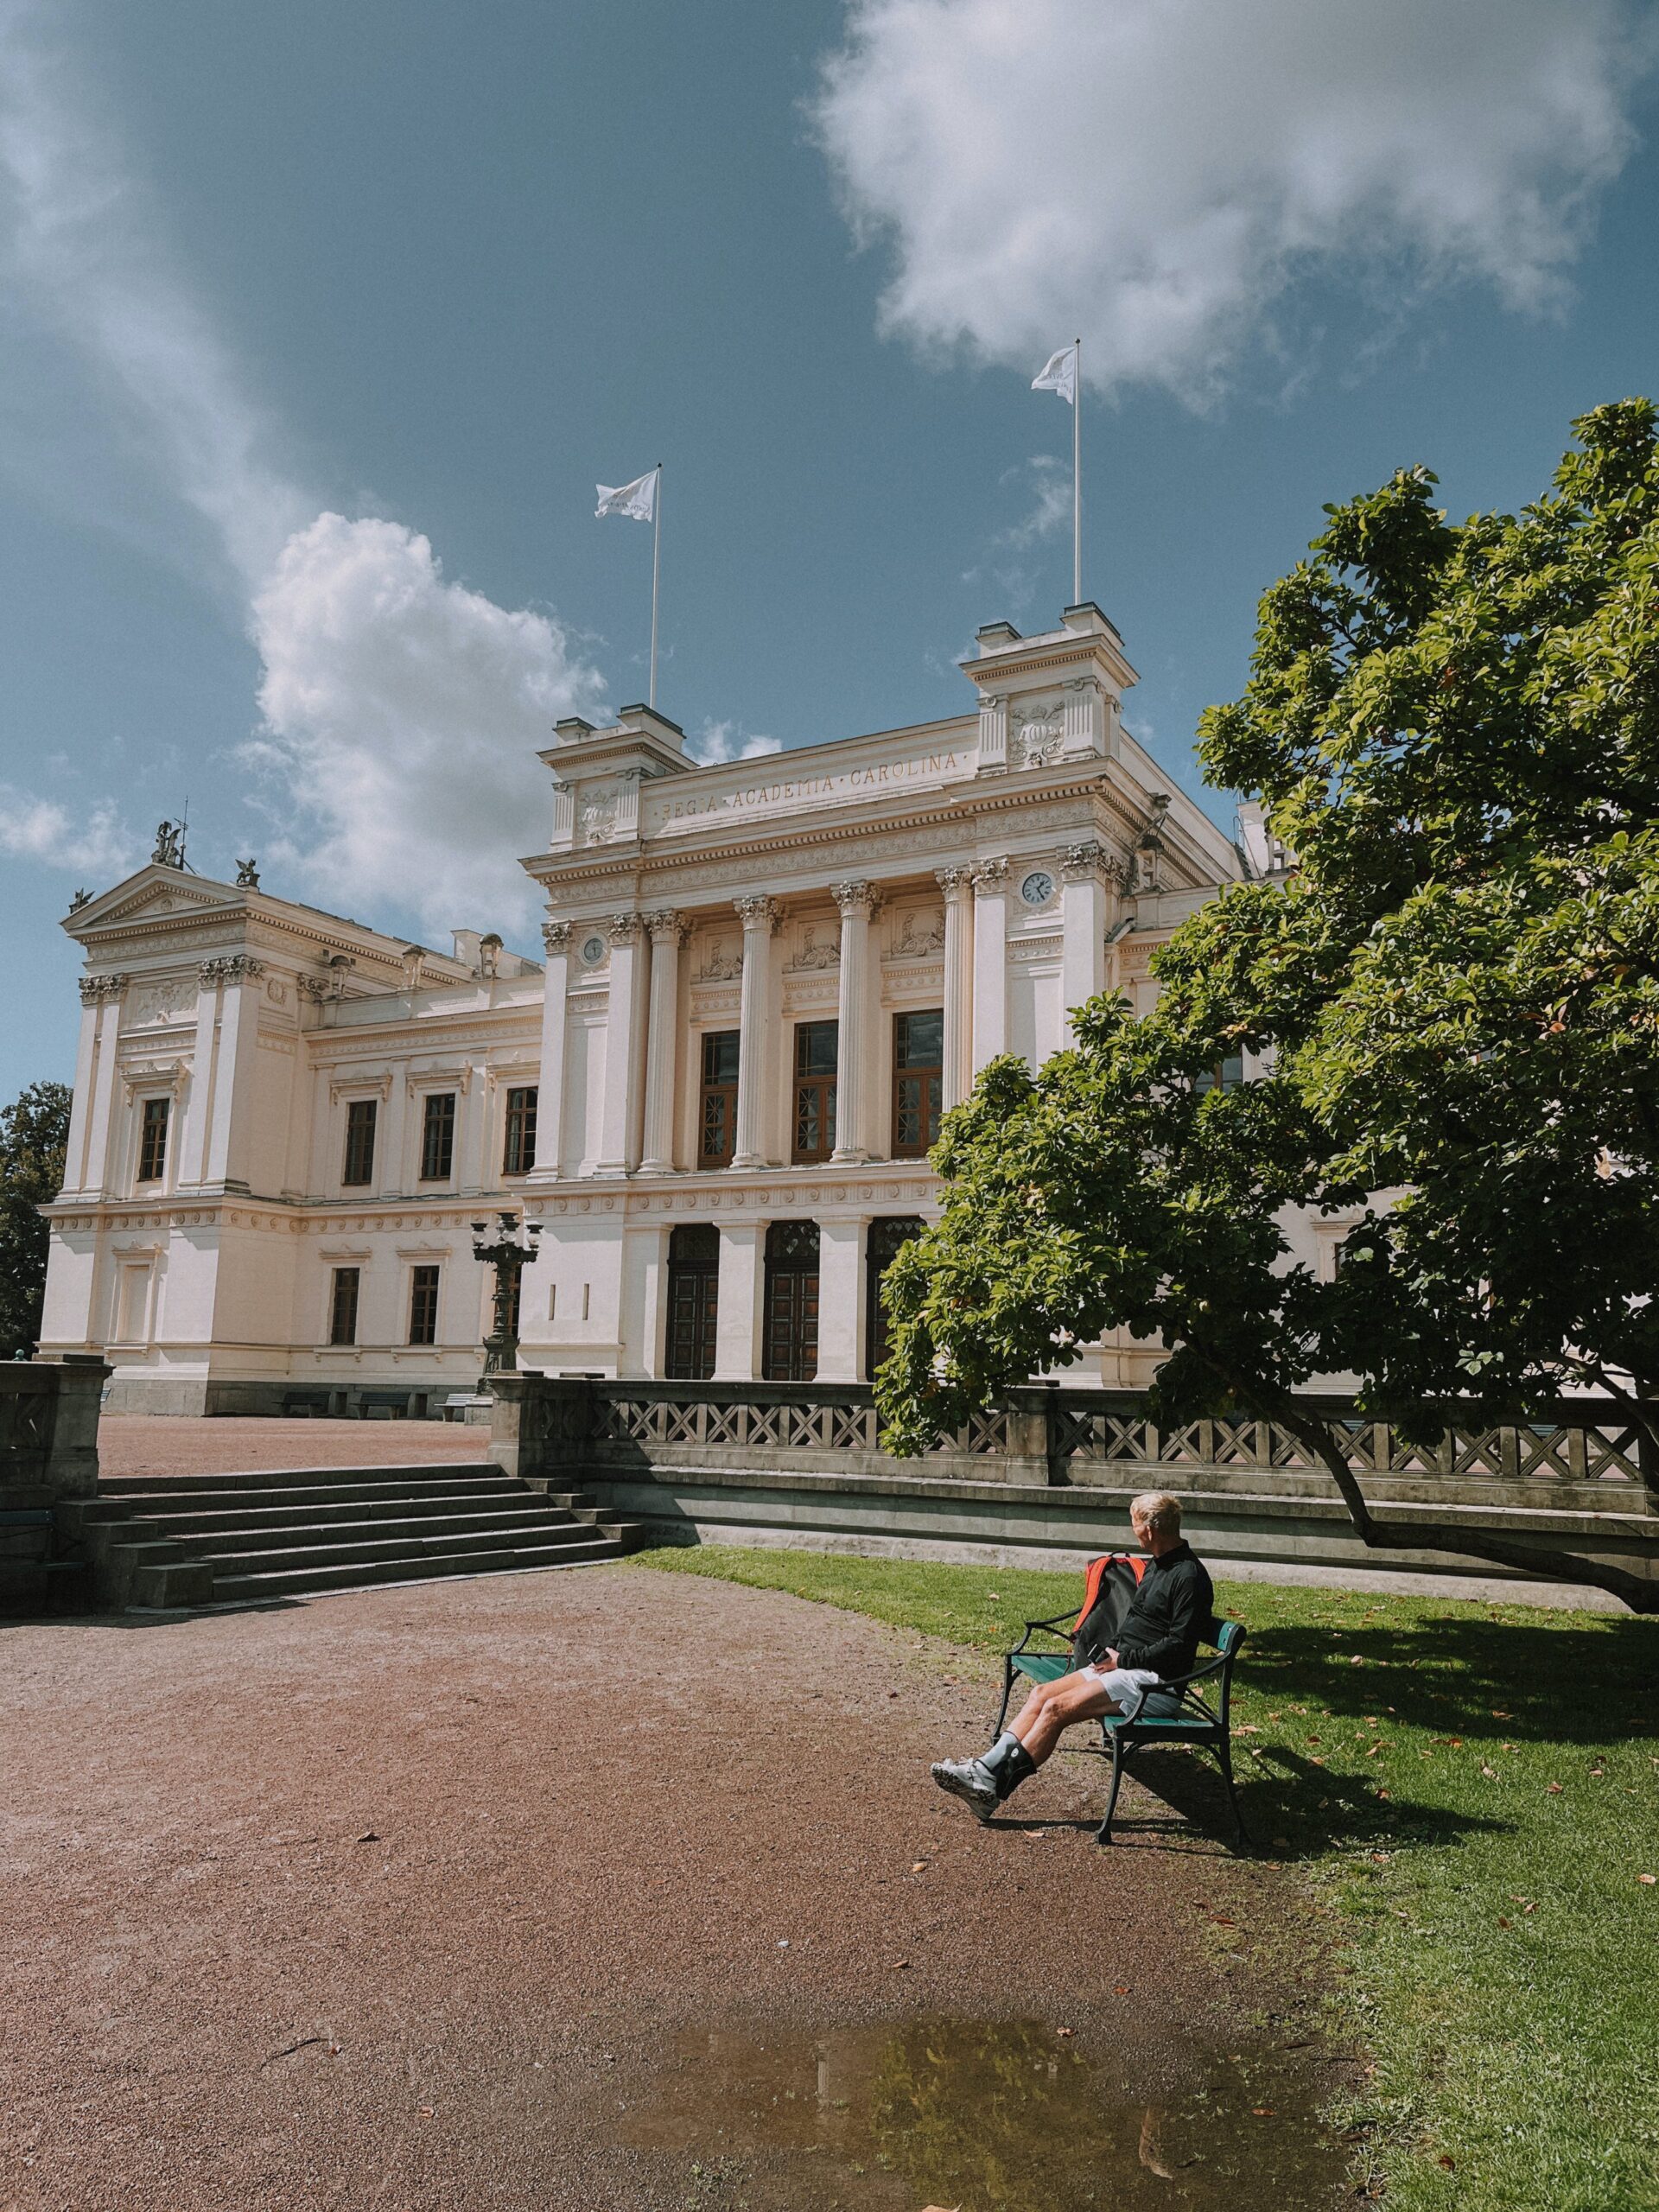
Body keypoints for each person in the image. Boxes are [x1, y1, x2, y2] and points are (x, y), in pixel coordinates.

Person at [931, 1492, 1214, 1821]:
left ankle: (992, 1785)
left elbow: (1178, 1647)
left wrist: (1122, 1660)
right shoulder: (1156, 1567)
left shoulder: (1189, 1576)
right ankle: (983, 1770)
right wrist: (1110, 1652)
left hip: (1156, 1684)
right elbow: (1137, 1623)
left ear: (1149, 1529)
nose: (1132, 1530)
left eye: (1134, 1523)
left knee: (1056, 1710)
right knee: (1041, 1694)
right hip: (1127, 1668)